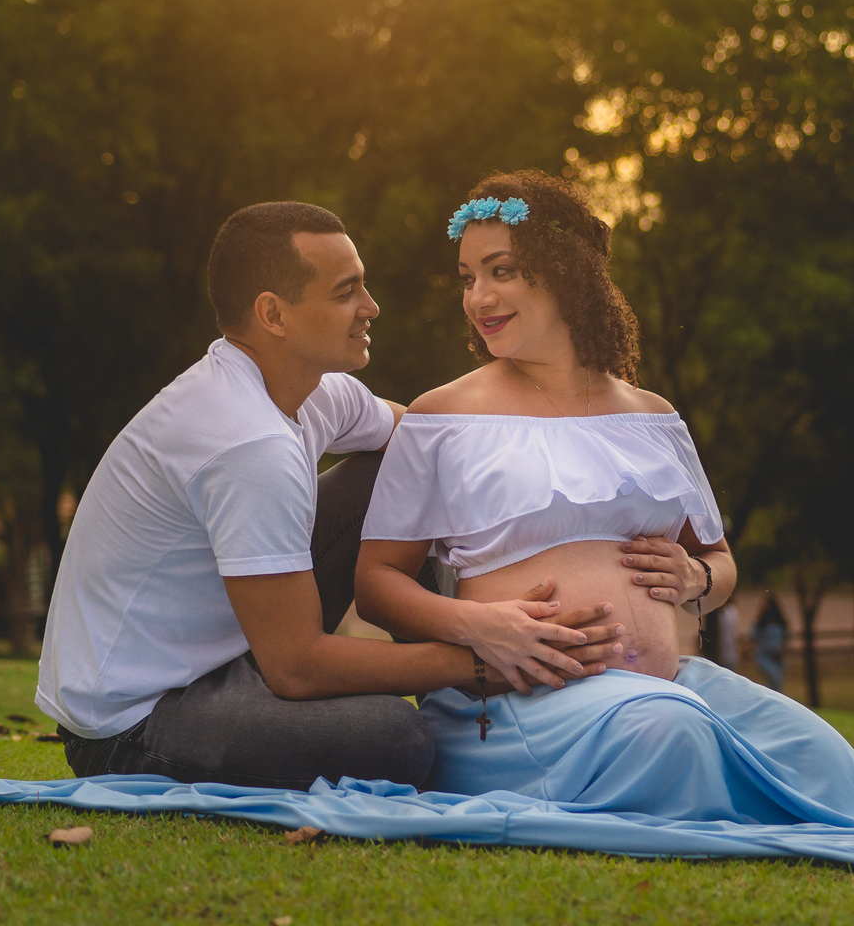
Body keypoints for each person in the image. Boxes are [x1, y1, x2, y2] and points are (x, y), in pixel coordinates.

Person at [353, 171, 854, 828]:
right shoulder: (441, 416)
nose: (479, 296)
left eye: (500, 271)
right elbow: (376, 584)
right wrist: (478, 628)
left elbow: (722, 567)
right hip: (516, 703)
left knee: (825, 761)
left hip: (664, 688)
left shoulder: (653, 416)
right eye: (468, 277)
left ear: (564, 271)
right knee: (672, 737)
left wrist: (696, 576)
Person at [35, 201, 619, 791]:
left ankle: (497, 664)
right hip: (135, 721)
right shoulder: (246, 445)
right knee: (398, 740)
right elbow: (295, 667)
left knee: (398, 468)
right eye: (347, 292)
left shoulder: (312, 391)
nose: (371, 309)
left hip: (232, 659)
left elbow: (434, 442)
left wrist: (576, 482)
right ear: (274, 314)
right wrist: (475, 658)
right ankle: (494, 673)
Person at [753, 594, 788, 690]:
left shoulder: (780, 622)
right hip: (765, 656)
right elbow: (754, 636)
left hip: (777, 658)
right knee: (773, 678)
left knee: (778, 682)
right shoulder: (761, 623)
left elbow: (785, 638)